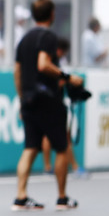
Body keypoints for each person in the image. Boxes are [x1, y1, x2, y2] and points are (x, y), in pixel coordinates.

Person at [13, 0, 84, 210]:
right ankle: (62, 198)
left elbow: (17, 72)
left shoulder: (24, 40)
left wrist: (22, 98)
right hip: (49, 101)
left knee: (30, 147)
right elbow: (43, 64)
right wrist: (66, 76)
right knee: (61, 147)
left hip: (29, 100)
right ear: (51, 14)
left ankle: (21, 196)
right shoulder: (49, 37)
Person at [41, 37, 86, 178]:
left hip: (47, 103)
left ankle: (48, 166)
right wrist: (68, 79)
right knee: (64, 138)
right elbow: (55, 83)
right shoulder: (52, 63)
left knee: (48, 135)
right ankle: (74, 167)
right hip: (53, 103)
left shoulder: (49, 61)